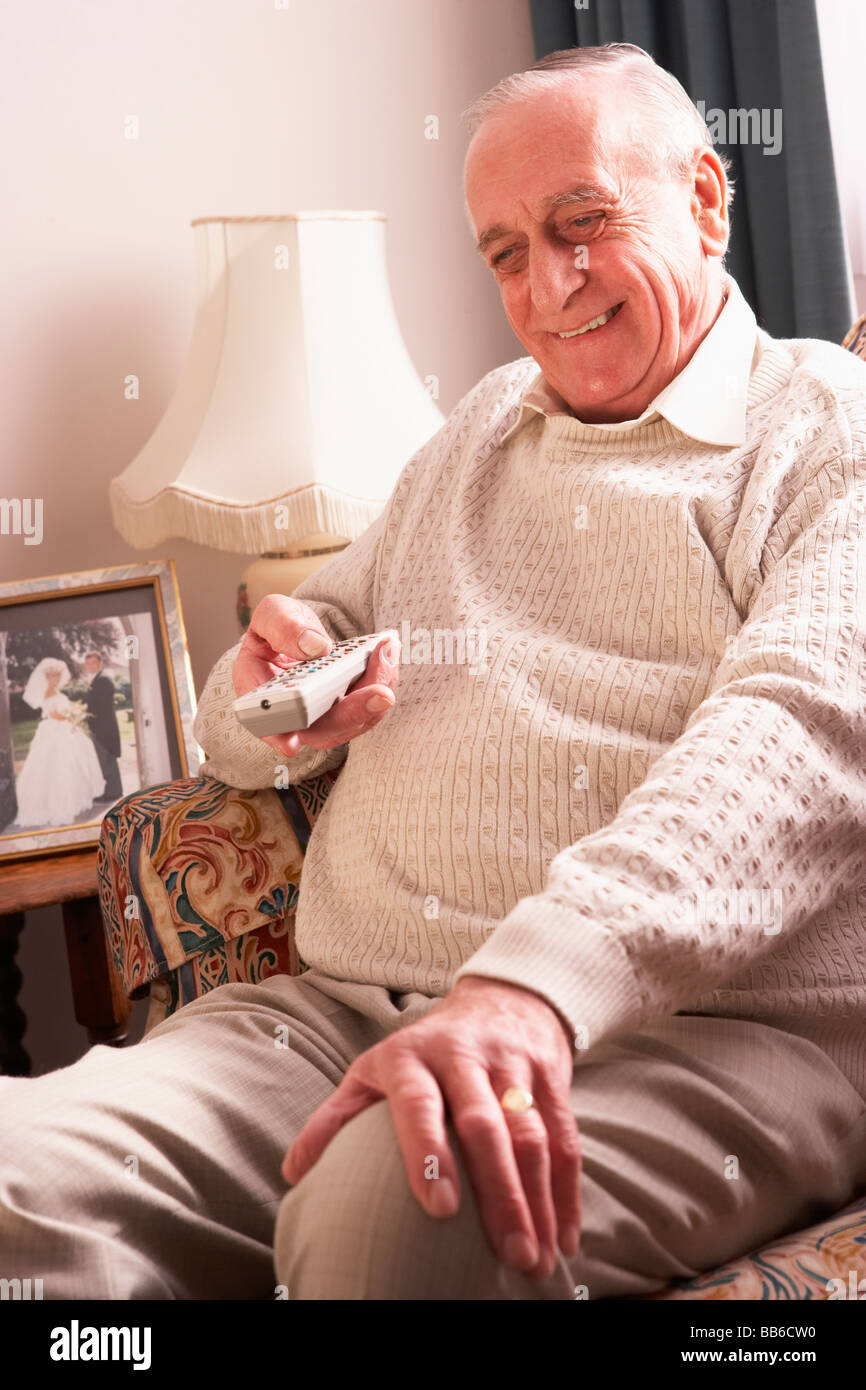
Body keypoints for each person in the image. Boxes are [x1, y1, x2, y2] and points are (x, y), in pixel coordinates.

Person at [1, 42, 866, 1301]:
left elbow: (795, 738)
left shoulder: (823, 431)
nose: (548, 285)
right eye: (505, 252)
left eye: (581, 223)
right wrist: (268, 688)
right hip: (336, 1016)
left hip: (690, 1036)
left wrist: (530, 987)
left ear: (705, 199)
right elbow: (258, 708)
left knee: (396, 1206)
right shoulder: (476, 432)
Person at [12, 657, 104, 827]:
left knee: (72, 764)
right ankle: (59, 806)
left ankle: (72, 801)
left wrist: (72, 714)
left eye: (57, 676)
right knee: (58, 766)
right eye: (53, 676)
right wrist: (72, 716)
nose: (56, 679)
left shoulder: (56, 691)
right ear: (47, 677)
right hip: (54, 729)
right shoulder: (49, 692)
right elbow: (53, 714)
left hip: (62, 728)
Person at [77, 651, 123, 802]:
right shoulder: (95, 680)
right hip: (98, 727)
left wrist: (85, 714)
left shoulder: (103, 680)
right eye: (88, 664)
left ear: (100, 664)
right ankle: (112, 791)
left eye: (93, 663)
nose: (90, 666)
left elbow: (100, 707)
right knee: (105, 760)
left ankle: (113, 793)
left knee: (107, 759)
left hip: (104, 727)